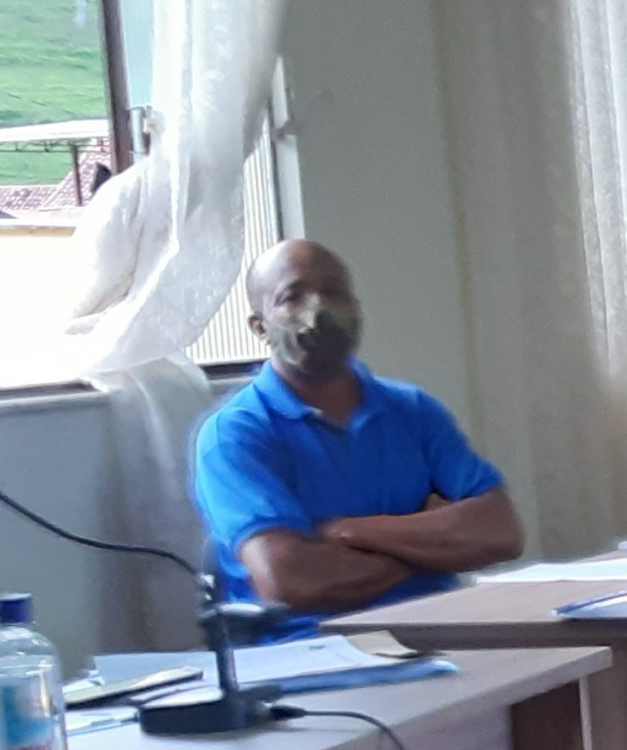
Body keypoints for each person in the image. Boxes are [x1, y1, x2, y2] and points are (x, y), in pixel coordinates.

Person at [190, 240, 522, 638]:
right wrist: (430, 545)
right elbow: (292, 580)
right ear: (259, 327)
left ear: (356, 306)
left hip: (440, 633)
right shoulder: (234, 435)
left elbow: (500, 531)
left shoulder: (413, 410)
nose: (319, 308)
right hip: (316, 651)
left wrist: (350, 532)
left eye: (333, 291)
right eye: (292, 297)